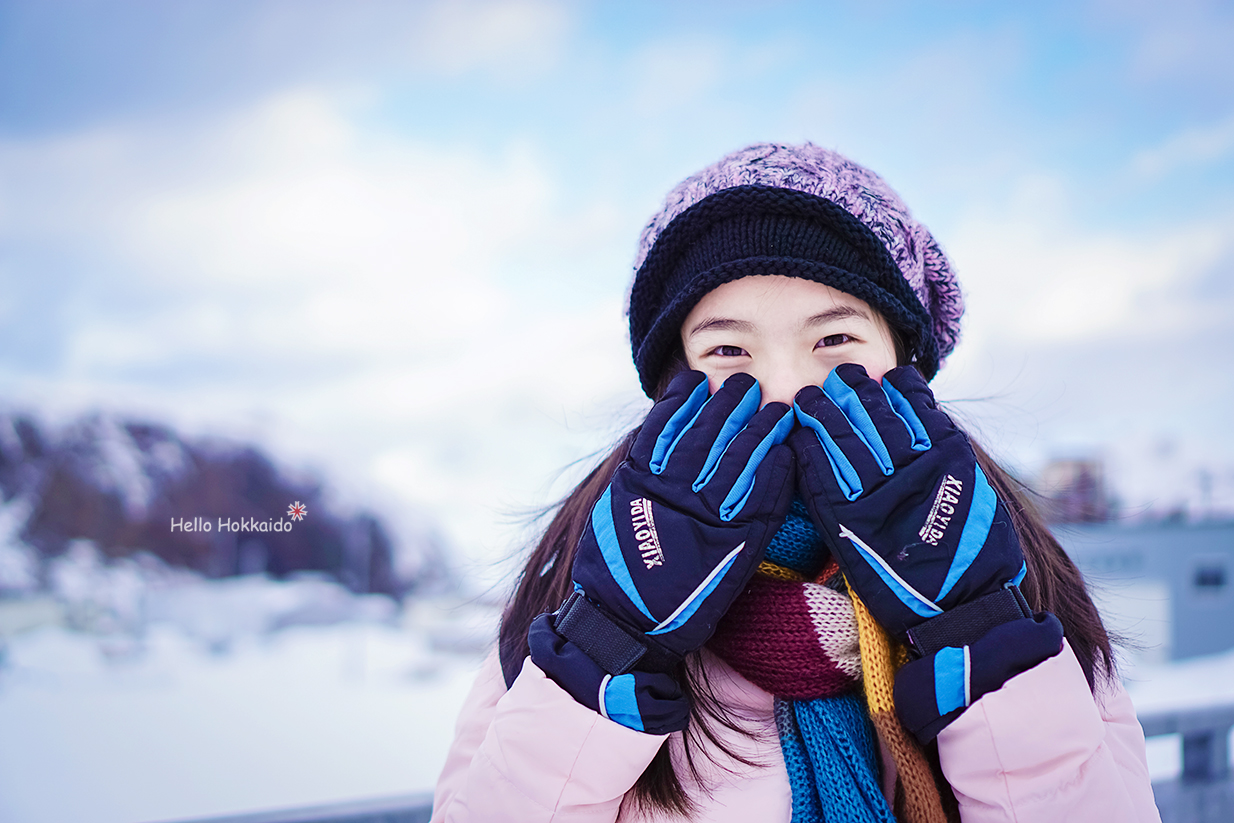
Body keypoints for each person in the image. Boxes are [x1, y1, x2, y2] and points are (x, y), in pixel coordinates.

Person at [430, 143, 1159, 822]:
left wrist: (977, 629)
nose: (782, 387)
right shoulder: (571, 599)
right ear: (670, 383)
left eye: (834, 339)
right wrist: (608, 646)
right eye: (728, 348)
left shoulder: (1024, 589)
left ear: (904, 359)